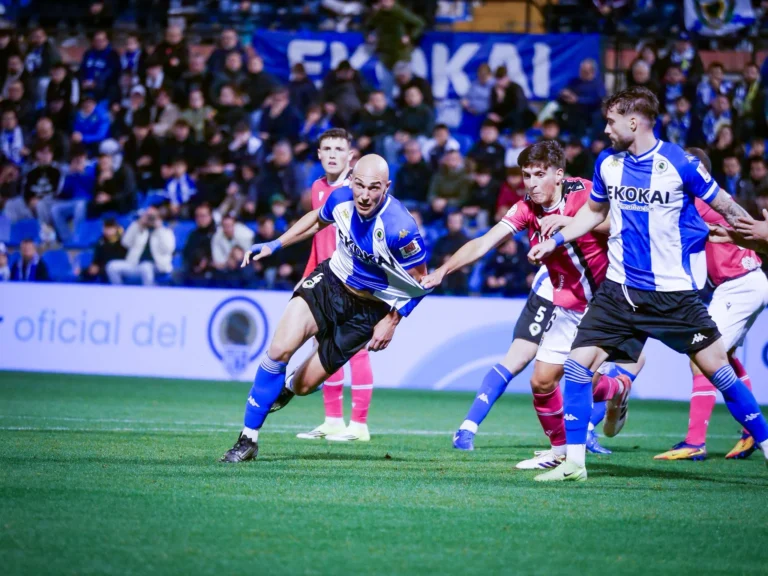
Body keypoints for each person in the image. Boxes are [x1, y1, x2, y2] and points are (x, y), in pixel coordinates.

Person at [526, 86, 768, 482]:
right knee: (575, 366)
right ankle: (573, 464)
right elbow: (592, 214)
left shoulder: (681, 164)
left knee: (719, 371)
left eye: (611, 121)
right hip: (618, 292)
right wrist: (554, 240)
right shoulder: (607, 163)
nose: (606, 129)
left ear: (633, 122)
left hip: (672, 296)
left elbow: (723, 204)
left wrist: (757, 231)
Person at [424, 141, 640, 469]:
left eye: (539, 175)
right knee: (541, 382)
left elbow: (623, 225)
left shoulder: (585, 193)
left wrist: (568, 223)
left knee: (578, 377)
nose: (532, 183)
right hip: (567, 304)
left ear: (559, 174)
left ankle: (587, 435)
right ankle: (565, 445)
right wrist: (443, 270)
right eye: (526, 175)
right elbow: (484, 242)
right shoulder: (526, 207)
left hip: (604, 303)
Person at [220, 154, 429, 462]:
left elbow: (420, 281)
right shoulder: (342, 198)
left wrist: (393, 320)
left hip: (367, 312)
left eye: (374, 188)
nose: (364, 195)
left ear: (387, 186)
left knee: (304, 386)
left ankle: (289, 386)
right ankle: (248, 439)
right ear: (351, 182)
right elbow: (317, 219)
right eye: (359, 185)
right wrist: (275, 244)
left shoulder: (401, 228)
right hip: (329, 283)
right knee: (278, 351)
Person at [655, 148, 768, 462]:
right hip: (751, 279)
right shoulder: (719, 199)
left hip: (738, 284)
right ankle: (750, 433)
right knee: (724, 357)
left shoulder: (699, 201)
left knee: (700, 357)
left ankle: (695, 441)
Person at [293, 129, 376, 442]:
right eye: (326, 148)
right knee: (323, 347)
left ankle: (359, 425)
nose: (332, 154)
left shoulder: (360, 189)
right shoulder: (317, 187)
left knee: (356, 351)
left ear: (350, 155)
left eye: (339, 149)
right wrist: (307, 274)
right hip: (324, 281)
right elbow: (318, 235)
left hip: (355, 283)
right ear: (318, 154)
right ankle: (332, 421)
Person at [106, 206, 175, 286]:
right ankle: (119, 292)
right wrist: (138, 224)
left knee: (145, 267)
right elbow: (125, 243)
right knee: (112, 266)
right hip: (135, 265)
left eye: (153, 217)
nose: (150, 219)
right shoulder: (139, 229)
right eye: (148, 216)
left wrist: (159, 229)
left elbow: (168, 249)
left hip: (158, 267)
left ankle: (149, 294)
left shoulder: (166, 232)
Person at [81, 218, 127, 283]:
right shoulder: (100, 242)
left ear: (117, 228)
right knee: (83, 274)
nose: (108, 230)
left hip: (118, 271)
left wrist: (99, 269)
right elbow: (96, 262)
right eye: (106, 228)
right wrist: (85, 270)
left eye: (110, 228)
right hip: (102, 272)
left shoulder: (123, 242)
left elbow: (121, 261)